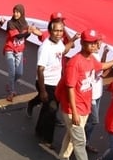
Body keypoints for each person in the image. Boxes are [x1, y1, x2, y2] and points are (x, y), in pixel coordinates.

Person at [55, 29, 113, 160]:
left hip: (84, 105)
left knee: (71, 135)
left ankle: (63, 158)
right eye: (91, 43)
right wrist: (74, 112)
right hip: (74, 108)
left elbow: (101, 66)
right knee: (80, 140)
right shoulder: (74, 63)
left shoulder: (91, 59)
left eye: (95, 42)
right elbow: (70, 87)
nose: (94, 45)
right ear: (83, 43)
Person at [29, 17, 77, 147]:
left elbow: (63, 50)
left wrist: (72, 40)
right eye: (56, 31)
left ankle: (39, 130)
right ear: (50, 31)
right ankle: (47, 139)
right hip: (47, 84)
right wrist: (43, 90)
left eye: (61, 31)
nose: (59, 33)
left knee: (46, 109)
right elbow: (40, 69)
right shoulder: (45, 47)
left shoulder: (59, 43)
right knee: (52, 110)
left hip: (57, 83)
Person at [3, 4, 42, 102]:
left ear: (22, 13)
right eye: (14, 12)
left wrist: (31, 31)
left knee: (19, 73)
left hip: (19, 51)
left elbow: (24, 37)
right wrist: (28, 32)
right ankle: (11, 92)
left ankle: (10, 83)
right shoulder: (10, 23)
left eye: (17, 12)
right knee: (12, 72)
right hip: (10, 49)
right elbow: (18, 36)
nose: (15, 14)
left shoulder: (25, 24)